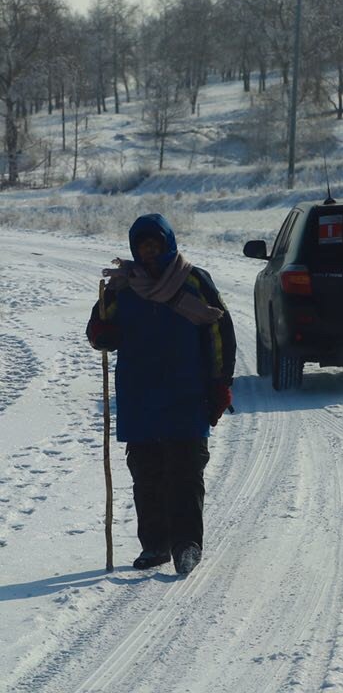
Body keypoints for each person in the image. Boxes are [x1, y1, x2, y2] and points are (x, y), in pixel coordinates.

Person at [86, 213, 236, 575]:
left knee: (185, 470)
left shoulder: (194, 281)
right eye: (142, 246)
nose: (149, 252)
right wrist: (103, 333)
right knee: (146, 472)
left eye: (155, 245)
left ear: (168, 245)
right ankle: (155, 545)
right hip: (140, 395)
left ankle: (187, 544)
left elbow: (219, 333)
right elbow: (96, 332)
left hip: (187, 392)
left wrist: (219, 384)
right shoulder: (121, 287)